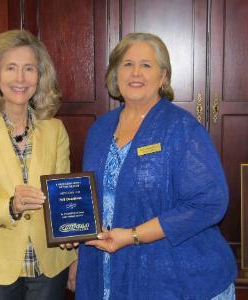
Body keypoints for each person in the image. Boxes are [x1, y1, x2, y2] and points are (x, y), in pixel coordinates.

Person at [76, 32, 237, 300]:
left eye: (146, 65)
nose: (135, 72)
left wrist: (133, 236)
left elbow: (209, 203)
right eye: (127, 64)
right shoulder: (99, 130)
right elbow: (90, 200)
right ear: (115, 73)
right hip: (108, 270)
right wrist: (74, 242)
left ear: (162, 76)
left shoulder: (182, 129)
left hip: (178, 277)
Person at [0, 30, 77, 300]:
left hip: (49, 265)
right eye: (11, 68)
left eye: (29, 69)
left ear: (40, 77)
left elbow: (63, 197)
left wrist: (73, 240)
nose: (20, 79)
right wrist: (10, 206)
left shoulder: (55, 130)